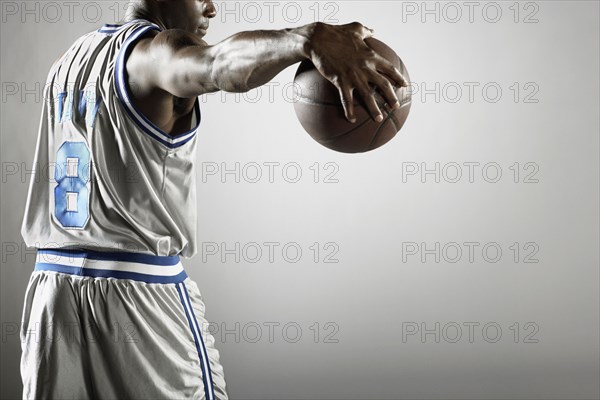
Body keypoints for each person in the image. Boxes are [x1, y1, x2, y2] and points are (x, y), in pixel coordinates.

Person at [19, 0, 406, 398]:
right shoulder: (155, 53)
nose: (212, 8)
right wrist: (305, 39)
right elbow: (217, 65)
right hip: (136, 299)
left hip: (52, 298)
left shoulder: (68, 60)